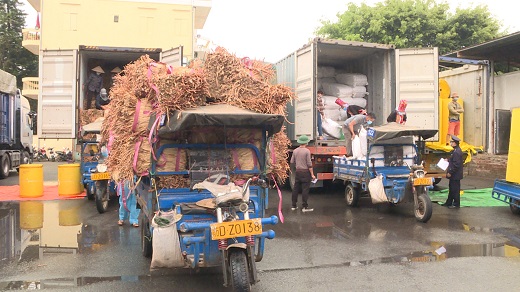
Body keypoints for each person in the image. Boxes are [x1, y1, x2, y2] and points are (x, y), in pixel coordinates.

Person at [290, 135, 315, 212]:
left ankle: (294, 205)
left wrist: (297, 166)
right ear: (306, 142)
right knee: (305, 189)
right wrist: (312, 174)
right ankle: (304, 207)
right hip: (305, 172)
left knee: (295, 188)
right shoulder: (307, 151)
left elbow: (292, 162)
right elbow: (309, 164)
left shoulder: (295, 151)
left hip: (298, 171)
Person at [443, 135, 464, 209]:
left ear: (455, 143)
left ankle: (456, 204)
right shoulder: (455, 151)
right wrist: (448, 160)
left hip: (455, 175)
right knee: (451, 189)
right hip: (454, 175)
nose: (451, 143)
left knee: (455, 190)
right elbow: (453, 161)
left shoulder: (457, 152)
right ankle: (449, 202)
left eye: (452, 142)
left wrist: (450, 172)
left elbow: (456, 165)